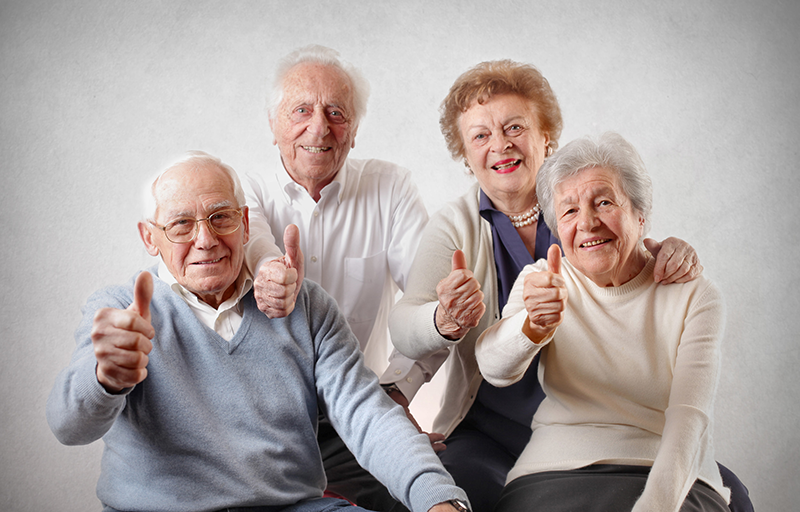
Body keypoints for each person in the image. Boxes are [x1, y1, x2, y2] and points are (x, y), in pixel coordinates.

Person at [389, 60, 751, 512]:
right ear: (465, 154)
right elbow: (411, 331)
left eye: (514, 127)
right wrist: (441, 323)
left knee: (730, 495)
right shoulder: (456, 226)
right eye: (480, 135)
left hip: (618, 429)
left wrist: (673, 252)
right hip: (496, 427)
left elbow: (632, 261)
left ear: (546, 136)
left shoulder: (580, 194)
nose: (500, 144)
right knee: (457, 488)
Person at [45, 152, 470, 512]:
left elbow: (369, 416)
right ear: (149, 237)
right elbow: (68, 427)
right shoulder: (119, 309)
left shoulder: (307, 306)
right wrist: (105, 380)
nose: (205, 239)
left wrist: (438, 500)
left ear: (245, 223)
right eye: (181, 225)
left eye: (220, 217)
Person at [474, 132, 729, 511]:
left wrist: (655, 506)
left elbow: (689, 417)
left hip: (669, 474)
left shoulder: (693, 293)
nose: (588, 223)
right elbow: (494, 369)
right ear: (557, 229)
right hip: (553, 471)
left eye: (604, 202)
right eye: (569, 211)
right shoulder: (542, 281)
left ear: (640, 215)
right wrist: (532, 327)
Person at [244, 45, 447, 510]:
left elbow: (432, 306)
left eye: (336, 113)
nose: (319, 127)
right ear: (273, 124)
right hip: (266, 425)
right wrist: (270, 273)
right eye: (301, 110)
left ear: (354, 132)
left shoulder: (391, 188)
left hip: (356, 416)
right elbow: (257, 247)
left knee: (421, 490)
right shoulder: (243, 192)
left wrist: (397, 392)